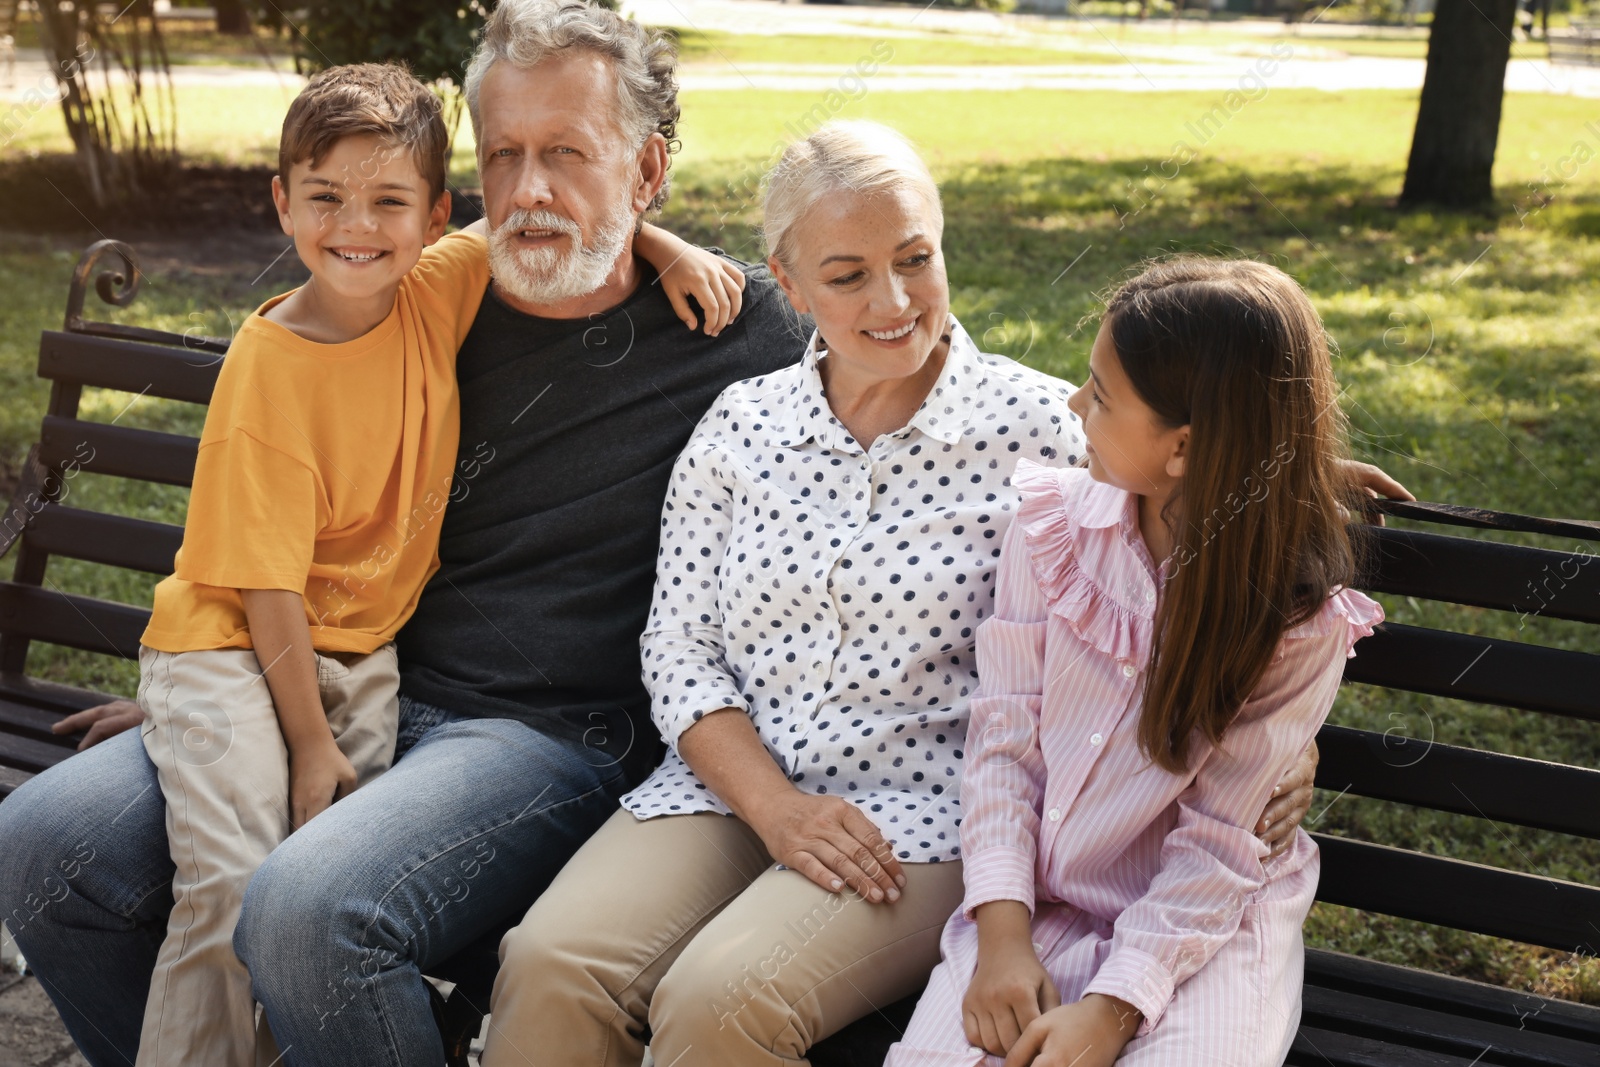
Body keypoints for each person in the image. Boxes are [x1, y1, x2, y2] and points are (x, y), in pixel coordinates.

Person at [479, 123, 1360, 1067]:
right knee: (548, 961)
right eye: (848, 275)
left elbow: (1201, 473)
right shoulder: (742, 425)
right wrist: (775, 806)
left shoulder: (1042, 433)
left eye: (915, 259)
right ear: (787, 276)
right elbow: (681, 647)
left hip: (931, 821)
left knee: (719, 1002)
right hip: (734, 788)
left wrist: (1314, 475)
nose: (892, 300)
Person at [125, 59, 742, 1067]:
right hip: (249, 649)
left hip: (378, 670)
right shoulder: (293, 353)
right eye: (324, 198)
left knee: (302, 899)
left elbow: (554, 220)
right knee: (188, 872)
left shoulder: (434, 286)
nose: (356, 225)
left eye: (387, 203)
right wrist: (250, 717)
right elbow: (258, 583)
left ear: (430, 216)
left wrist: (664, 243)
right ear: (281, 201)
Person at [885, 258, 1385, 1067]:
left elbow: (1223, 846)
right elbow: (1003, 748)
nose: (1075, 404)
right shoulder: (1051, 529)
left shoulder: (1295, 619)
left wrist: (1112, 1012)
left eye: (1100, 394)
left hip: (1206, 930)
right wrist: (1002, 940)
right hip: (1041, 907)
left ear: (1184, 447)